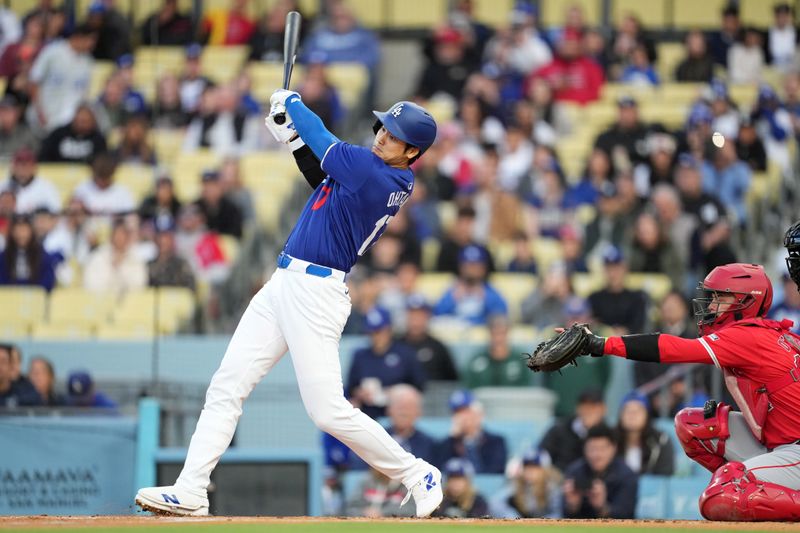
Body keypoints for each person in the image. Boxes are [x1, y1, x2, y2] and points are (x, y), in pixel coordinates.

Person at [135, 93, 443, 517]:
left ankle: (416, 473)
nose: (383, 137)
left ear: (413, 152)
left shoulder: (380, 175)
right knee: (227, 386)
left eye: (395, 137)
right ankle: (191, 489)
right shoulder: (369, 172)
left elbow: (325, 141)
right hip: (284, 283)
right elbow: (324, 180)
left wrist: (293, 105)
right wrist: (294, 142)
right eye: (384, 129)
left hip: (316, 293)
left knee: (328, 412)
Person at [574, 262, 800, 521]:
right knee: (694, 425)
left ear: (746, 301)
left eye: (720, 297)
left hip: (795, 449)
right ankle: (761, 489)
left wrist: (601, 344)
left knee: (722, 494)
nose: (711, 305)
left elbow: (674, 349)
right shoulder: (775, 334)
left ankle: (750, 489)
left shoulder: (748, 335)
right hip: (782, 443)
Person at [345, 307, 427, 419]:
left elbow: (420, 385)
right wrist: (359, 393)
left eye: (379, 332)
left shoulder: (405, 354)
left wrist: (397, 392)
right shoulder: (360, 356)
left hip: (399, 415)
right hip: (368, 413)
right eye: (371, 333)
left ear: (389, 330)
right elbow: (351, 387)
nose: (375, 337)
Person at [562, 424, 638, 519]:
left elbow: (626, 516)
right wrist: (572, 505)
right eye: (592, 449)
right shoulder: (574, 471)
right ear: (584, 449)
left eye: (602, 449)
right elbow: (564, 515)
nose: (596, 455)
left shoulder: (626, 476)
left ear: (614, 448)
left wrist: (602, 507)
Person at [433, 244, 508, 326]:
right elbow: (436, 314)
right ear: (461, 267)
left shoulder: (489, 291)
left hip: (481, 334)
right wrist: (453, 299)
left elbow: (502, 314)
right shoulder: (453, 290)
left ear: (484, 268)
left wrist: (486, 299)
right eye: (468, 265)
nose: (472, 270)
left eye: (476, 265)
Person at [437, 390, 507, 474]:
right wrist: (453, 439)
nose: (461, 417)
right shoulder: (446, 444)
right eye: (457, 413)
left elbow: (490, 474)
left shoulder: (496, 442)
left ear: (479, 414)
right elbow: (440, 472)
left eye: (465, 411)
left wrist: (469, 442)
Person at [539, 389, 607, 472]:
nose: (589, 411)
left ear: (603, 409)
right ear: (577, 408)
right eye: (585, 407)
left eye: (593, 407)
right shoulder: (559, 429)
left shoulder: (608, 434)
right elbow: (542, 453)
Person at [588, 245, 648, 335]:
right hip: (602, 344)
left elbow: (639, 325)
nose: (612, 274)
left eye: (616, 268)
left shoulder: (637, 298)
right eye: (609, 269)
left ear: (625, 268)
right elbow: (592, 324)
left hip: (630, 345)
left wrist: (625, 332)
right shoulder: (594, 298)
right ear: (604, 270)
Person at [83, 217, 147, 299]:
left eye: (123, 234)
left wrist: (120, 268)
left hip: (129, 304)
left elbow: (140, 285)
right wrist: (112, 267)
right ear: (111, 236)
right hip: (101, 302)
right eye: (117, 234)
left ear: (128, 238)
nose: (120, 238)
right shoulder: (98, 257)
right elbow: (90, 284)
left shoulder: (136, 259)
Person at [399, 294, 458, 382]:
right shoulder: (396, 345)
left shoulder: (438, 348)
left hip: (433, 394)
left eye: (419, 316)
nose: (415, 322)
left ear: (427, 317)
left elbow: (452, 381)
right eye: (412, 316)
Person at [615, 391, 674, 475]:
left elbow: (665, 474)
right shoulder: (610, 440)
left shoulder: (661, 441)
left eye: (637, 411)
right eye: (627, 411)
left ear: (647, 415)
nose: (632, 415)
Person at [492, 449, 562, 518]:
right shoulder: (518, 483)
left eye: (535, 467)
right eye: (526, 467)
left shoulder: (553, 486)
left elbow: (557, 513)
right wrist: (515, 519)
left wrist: (540, 524)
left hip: (546, 526)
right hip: (523, 525)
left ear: (545, 469)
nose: (530, 471)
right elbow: (496, 503)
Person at [465, 315, 530, 388]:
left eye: (502, 333)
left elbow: (526, 390)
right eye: (494, 334)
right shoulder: (476, 361)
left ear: (508, 334)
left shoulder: (520, 360)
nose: (498, 339)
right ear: (489, 334)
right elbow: (469, 389)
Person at [0, 214, 57, 291]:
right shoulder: (4, 256)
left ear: (31, 232)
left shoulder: (42, 256)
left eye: (24, 230)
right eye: (17, 230)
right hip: (10, 299)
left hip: (36, 299)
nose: (21, 235)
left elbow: (48, 281)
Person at [38, 104, 107, 164]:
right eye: (80, 121)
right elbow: (44, 156)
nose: (81, 125)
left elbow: (102, 161)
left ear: (92, 122)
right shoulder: (58, 134)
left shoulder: (98, 139)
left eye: (85, 121)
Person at [0, 148, 60, 215]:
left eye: (26, 165)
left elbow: (55, 213)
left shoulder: (46, 187)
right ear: (12, 166)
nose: (22, 168)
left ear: (34, 167)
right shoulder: (3, 186)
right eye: (18, 164)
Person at [193, 170, 243, 239]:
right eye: (206, 185)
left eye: (213, 185)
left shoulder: (231, 208)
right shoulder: (195, 207)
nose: (209, 189)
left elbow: (237, 233)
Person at [0, 94, 39, 161]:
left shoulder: (28, 135)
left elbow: (39, 159)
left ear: (17, 113)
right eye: (1, 111)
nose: (4, 115)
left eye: (7, 111)